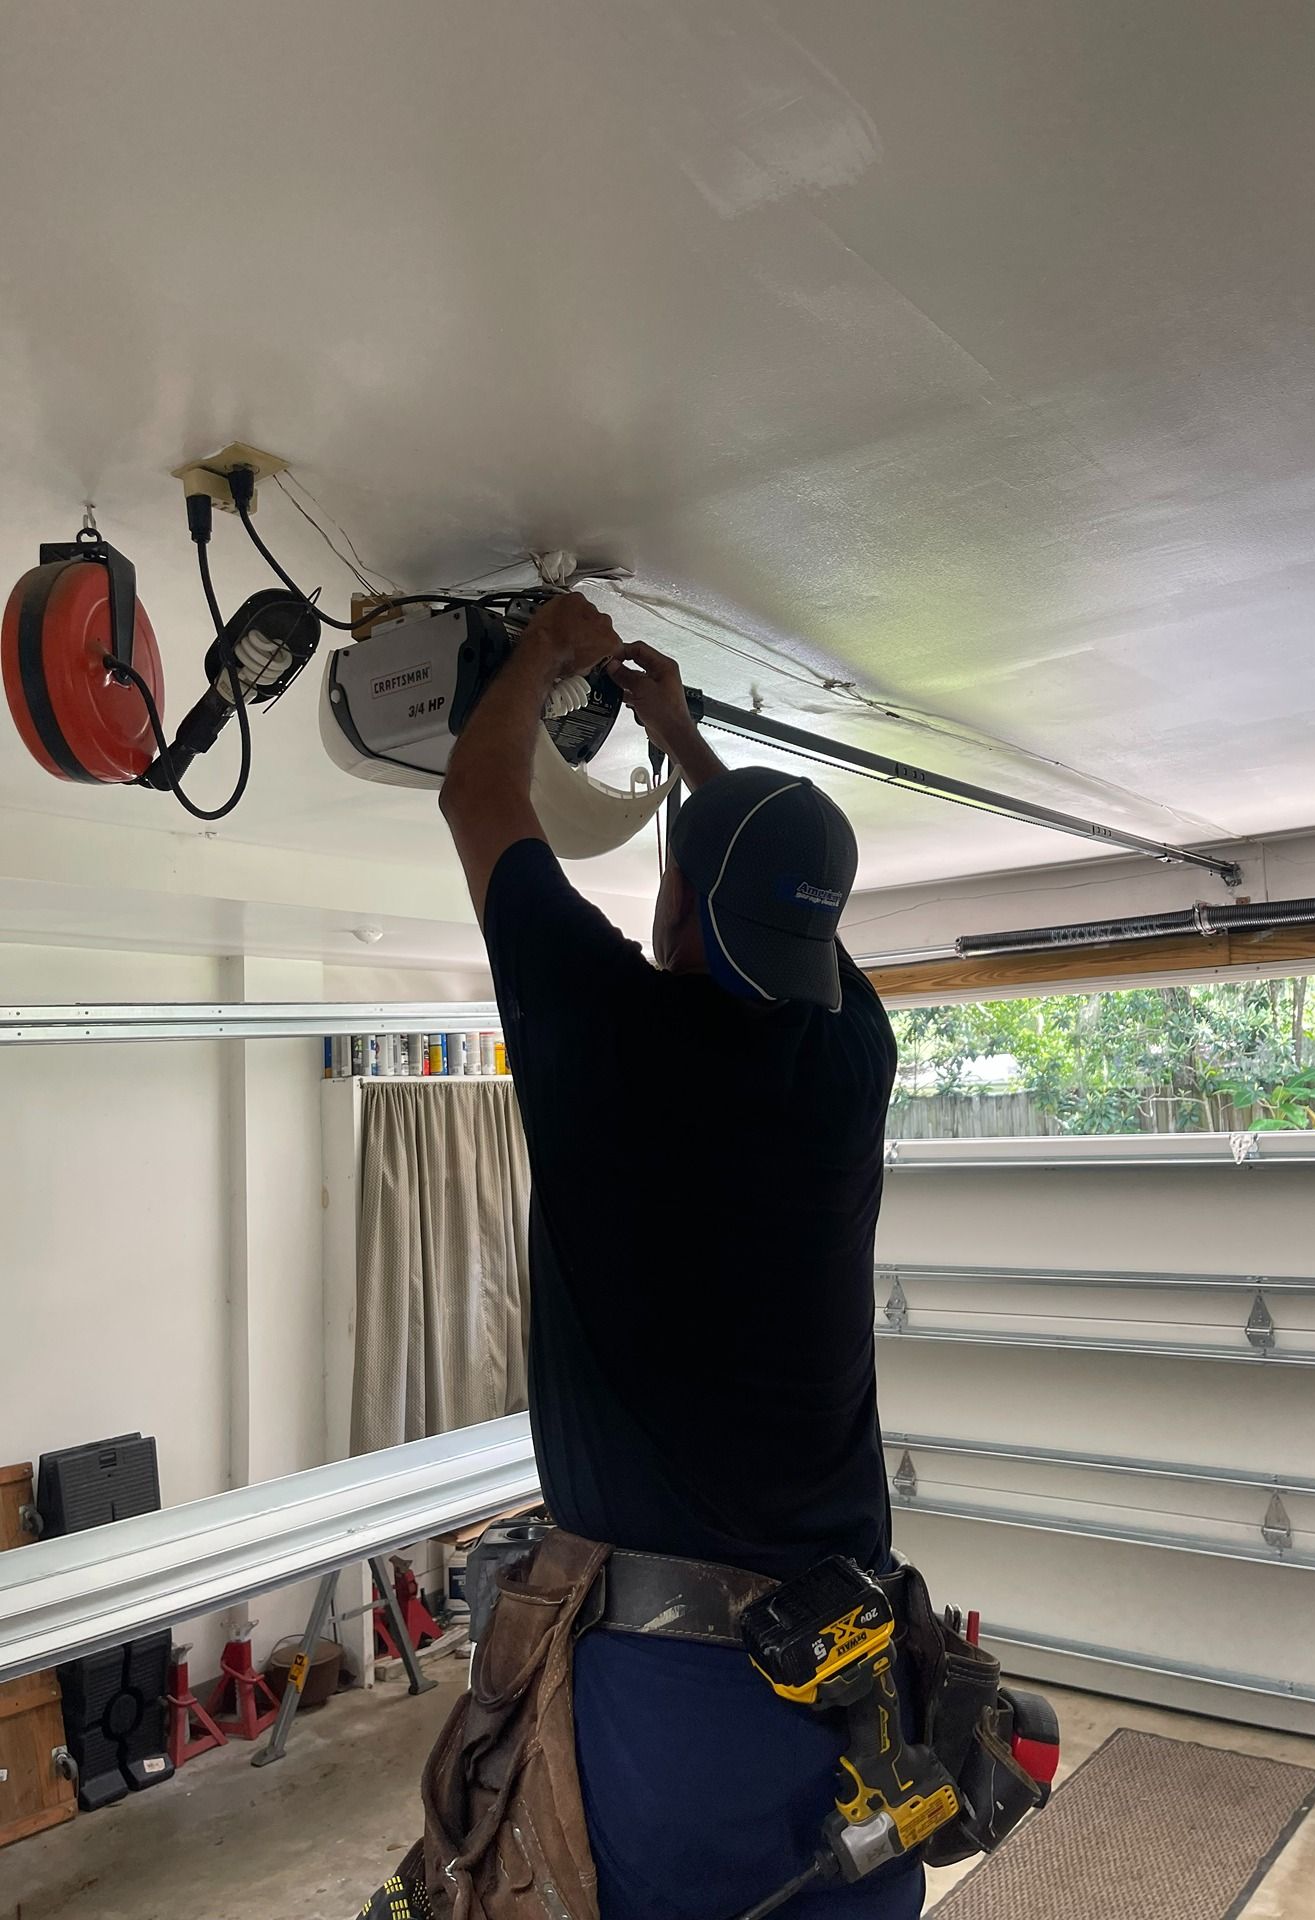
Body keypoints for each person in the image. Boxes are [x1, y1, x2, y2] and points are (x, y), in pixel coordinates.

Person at [439, 593, 914, 1920]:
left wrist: (551, 648)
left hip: (675, 1695)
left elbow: (479, 794)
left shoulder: (613, 1034)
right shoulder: (851, 1057)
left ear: (677, 896)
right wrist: (686, 746)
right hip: (849, 1660)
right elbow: (772, 900)